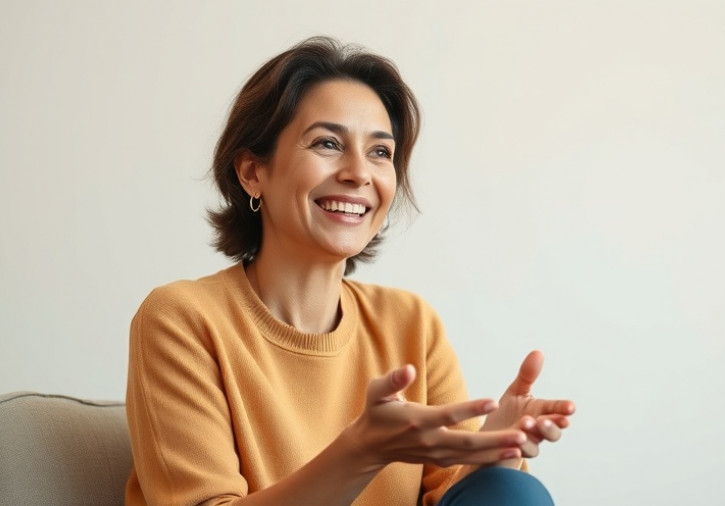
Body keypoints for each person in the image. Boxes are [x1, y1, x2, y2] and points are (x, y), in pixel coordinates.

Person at [125, 36, 575, 506]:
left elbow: (454, 499)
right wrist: (360, 452)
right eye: (328, 143)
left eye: (381, 152)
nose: (359, 173)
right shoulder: (181, 318)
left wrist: (494, 452)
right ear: (252, 172)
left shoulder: (411, 322)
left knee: (512, 490)